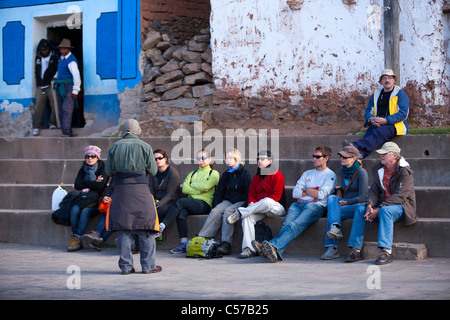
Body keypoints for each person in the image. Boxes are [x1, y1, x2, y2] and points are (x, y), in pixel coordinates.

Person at [252, 146, 336, 262]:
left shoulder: (330, 175)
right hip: (298, 205)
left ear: (326, 158)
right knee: (286, 224)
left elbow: (321, 195)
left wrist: (305, 189)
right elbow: (296, 193)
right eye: (313, 156)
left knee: (294, 225)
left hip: (315, 206)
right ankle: (276, 253)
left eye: (317, 157)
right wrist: (312, 190)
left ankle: (271, 245)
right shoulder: (307, 173)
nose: (314, 159)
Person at [344, 142, 417, 265]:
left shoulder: (405, 171)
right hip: (383, 206)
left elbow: (400, 196)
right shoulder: (379, 169)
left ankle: (386, 252)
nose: (381, 156)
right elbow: (374, 190)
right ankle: (356, 250)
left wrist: (379, 208)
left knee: (385, 211)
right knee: (360, 210)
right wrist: (370, 205)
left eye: (385, 153)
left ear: (394, 155)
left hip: (401, 207)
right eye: (381, 153)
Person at [105, 119, 161, 275]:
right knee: (147, 227)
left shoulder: (114, 147)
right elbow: (154, 171)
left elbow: (109, 172)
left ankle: (126, 267)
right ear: (138, 131)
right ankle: (148, 266)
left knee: (123, 229)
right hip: (141, 190)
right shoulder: (145, 146)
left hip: (121, 191)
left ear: (123, 131)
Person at [227, 150, 286, 259]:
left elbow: (277, 196)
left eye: (263, 159)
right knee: (247, 218)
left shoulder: (277, 174)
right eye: (258, 159)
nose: (259, 161)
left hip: (276, 208)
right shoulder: (256, 177)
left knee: (267, 201)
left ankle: (240, 212)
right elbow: (251, 194)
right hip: (260, 209)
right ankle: (248, 249)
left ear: (270, 161)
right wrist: (252, 202)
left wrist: (257, 203)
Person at [344, 69, 410, 158]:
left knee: (379, 133)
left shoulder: (400, 94)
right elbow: (368, 111)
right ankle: (361, 154)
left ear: (394, 80)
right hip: (377, 123)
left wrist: (385, 120)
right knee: (369, 135)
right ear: (381, 81)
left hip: (395, 125)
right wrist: (371, 119)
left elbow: (403, 114)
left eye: (390, 78)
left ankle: (355, 145)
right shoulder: (376, 94)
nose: (387, 80)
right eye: (384, 78)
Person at [197, 148, 252, 255]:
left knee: (228, 211)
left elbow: (249, 191)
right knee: (216, 211)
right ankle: (202, 238)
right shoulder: (226, 174)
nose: (228, 160)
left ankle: (226, 243)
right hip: (229, 199)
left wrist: (245, 205)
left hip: (241, 201)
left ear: (237, 159)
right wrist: (217, 205)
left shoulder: (245, 173)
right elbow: (220, 191)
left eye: (231, 158)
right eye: (226, 158)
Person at [320, 146, 368, 260]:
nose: (342, 158)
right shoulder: (341, 171)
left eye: (345, 157)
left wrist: (347, 202)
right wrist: (339, 191)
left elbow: (363, 196)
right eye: (341, 156)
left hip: (356, 204)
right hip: (344, 204)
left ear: (353, 158)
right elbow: (344, 187)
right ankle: (335, 229)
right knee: (332, 199)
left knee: (333, 212)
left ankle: (333, 247)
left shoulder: (361, 172)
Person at [170, 149, 220, 254]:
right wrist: (199, 190)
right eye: (198, 158)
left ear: (210, 160)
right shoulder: (192, 174)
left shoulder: (213, 173)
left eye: (203, 157)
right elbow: (184, 189)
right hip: (190, 202)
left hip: (204, 203)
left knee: (181, 202)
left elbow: (206, 186)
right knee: (181, 212)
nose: (201, 160)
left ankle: (163, 224)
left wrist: (191, 186)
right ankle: (183, 243)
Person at [68, 145, 108, 252]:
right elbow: (77, 185)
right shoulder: (83, 169)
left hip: (96, 202)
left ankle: (78, 237)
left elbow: (100, 187)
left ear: (97, 158)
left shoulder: (103, 169)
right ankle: (76, 238)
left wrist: (85, 183)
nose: (90, 158)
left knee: (85, 211)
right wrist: (94, 182)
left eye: (93, 156)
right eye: (87, 156)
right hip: (83, 199)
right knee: (74, 209)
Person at [149, 149, 181, 239]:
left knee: (160, 210)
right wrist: (152, 202)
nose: (157, 161)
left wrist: (158, 205)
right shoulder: (153, 172)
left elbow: (170, 195)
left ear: (165, 158)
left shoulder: (172, 172)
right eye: (155, 159)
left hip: (170, 200)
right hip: (157, 200)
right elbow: (151, 191)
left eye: (160, 158)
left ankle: (158, 231)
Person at [53, 38, 81, 137]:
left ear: (69, 49)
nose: (63, 51)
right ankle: (67, 131)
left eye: (65, 49)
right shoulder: (61, 59)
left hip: (68, 87)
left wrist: (75, 90)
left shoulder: (71, 60)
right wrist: (55, 77)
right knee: (60, 109)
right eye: (61, 49)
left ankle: (65, 132)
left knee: (67, 109)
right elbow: (60, 71)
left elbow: (76, 76)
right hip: (61, 86)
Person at [32, 39, 58, 136]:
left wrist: (55, 78)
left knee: (54, 104)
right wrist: (39, 82)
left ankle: (53, 123)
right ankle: (36, 126)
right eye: (42, 50)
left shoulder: (54, 57)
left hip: (51, 84)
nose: (44, 51)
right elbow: (37, 70)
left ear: (49, 48)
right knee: (39, 105)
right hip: (41, 85)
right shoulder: (38, 57)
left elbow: (58, 68)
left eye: (45, 49)